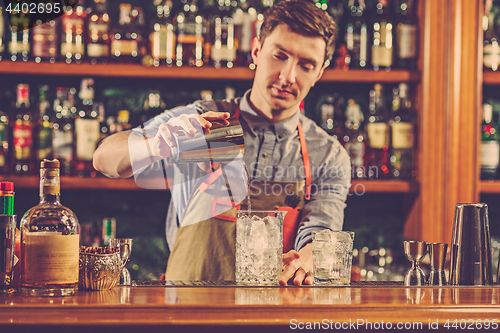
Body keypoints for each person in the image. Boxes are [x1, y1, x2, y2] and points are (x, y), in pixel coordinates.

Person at [93, 0, 351, 286]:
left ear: (320, 72)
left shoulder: (328, 154)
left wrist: (311, 256)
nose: (287, 76)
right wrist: (157, 144)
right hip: (187, 311)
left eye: (306, 65)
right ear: (256, 50)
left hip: (273, 315)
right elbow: (104, 159)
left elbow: (320, 229)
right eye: (279, 55)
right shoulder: (201, 122)